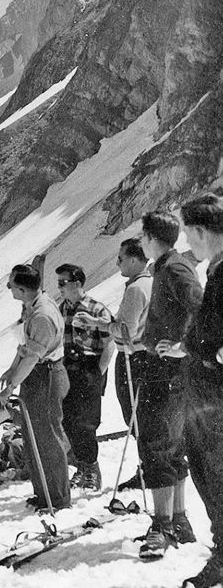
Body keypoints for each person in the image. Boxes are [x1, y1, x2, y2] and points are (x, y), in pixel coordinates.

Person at [130, 211, 203, 559]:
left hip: (169, 372)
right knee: (170, 445)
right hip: (165, 369)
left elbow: (201, 307)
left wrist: (182, 346)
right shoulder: (165, 266)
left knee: (157, 444)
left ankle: (162, 525)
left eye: (142, 235)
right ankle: (178, 520)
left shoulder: (174, 268)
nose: (140, 241)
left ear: (151, 237)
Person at [159, 192, 223, 587]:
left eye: (189, 233)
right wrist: (191, 344)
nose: (188, 243)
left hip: (214, 395)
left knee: (216, 474)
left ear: (201, 230)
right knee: (209, 473)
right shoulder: (215, 271)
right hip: (205, 389)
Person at [75, 238, 152, 490]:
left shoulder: (135, 289)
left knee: (134, 414)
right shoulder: (150, 283)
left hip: (132, 356)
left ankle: (148, 468)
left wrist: (97, 324)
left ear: (133, 259)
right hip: (146, 356)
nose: (117, 263)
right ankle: (150, 466)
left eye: (120, 259)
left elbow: (124, 331)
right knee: (144, 416)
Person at [0, 263, 71, 511]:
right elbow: (24, 347)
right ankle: (43, 494)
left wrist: (11, 386)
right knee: (33, 436)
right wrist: (11, 369)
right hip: (36, 375)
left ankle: (57, 498)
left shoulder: (42, 316)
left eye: (11, 287)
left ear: (23, 289)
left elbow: (32, 357)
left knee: (48, 437)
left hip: (46, 376)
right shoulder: (32, 307)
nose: (10, 290)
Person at [55, 263, 115, 490]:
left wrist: (98, 372)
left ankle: (91, 468)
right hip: (68, 367)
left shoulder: (96, 308)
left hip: (89, 366)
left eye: (63, 283)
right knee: (69, 420)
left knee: (86, 421)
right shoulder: (61, 309)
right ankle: (82, 466)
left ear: (77, 283)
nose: (60, 287)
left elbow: (109, 342)